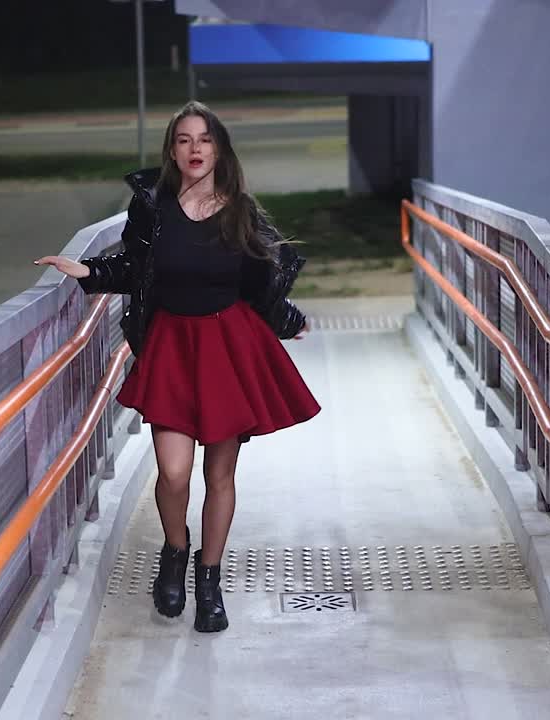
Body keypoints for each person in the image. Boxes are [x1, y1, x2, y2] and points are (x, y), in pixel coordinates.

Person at [35, 101, 320, 633]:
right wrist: (86, 269)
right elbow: (133, 269)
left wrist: (290, 320)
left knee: (220, 473)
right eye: (184, 140)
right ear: (172, 150)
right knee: (173, 472)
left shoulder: (241, 210)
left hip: (227, 347)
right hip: (172, 346)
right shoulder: (153, 207)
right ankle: (175, 550)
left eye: (205, 139)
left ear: (220, 149)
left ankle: (208, 583)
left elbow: (260, 286)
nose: (195, 149)